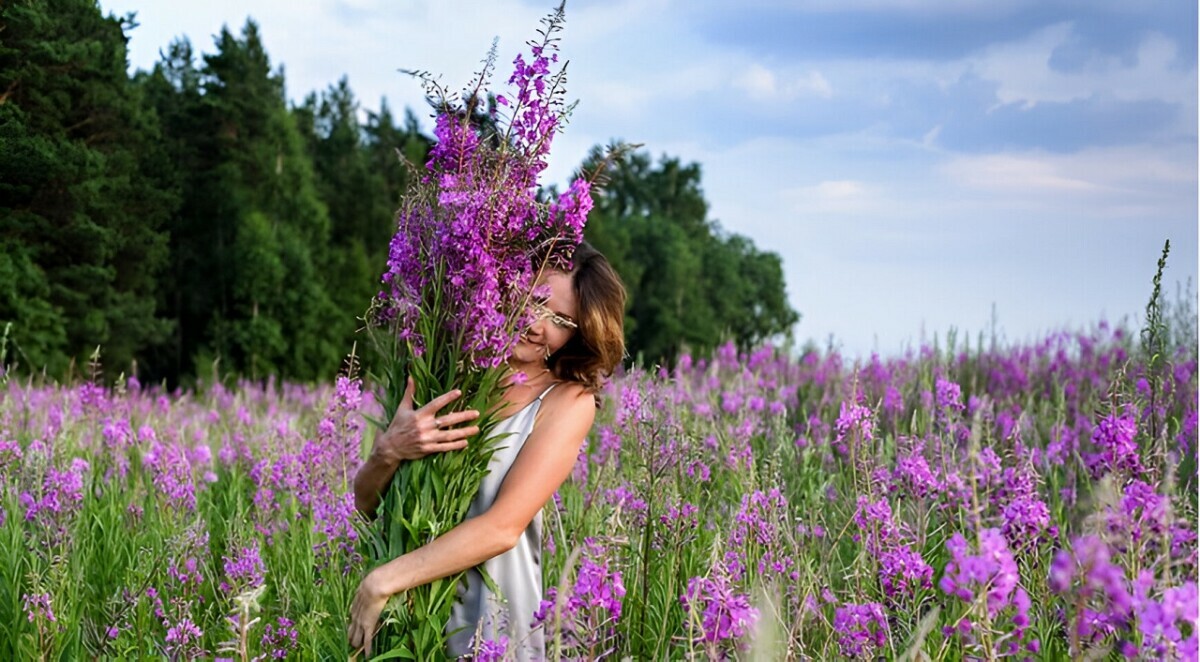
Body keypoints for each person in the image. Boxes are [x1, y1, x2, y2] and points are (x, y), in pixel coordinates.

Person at [348, 242, 626, 659]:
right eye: (534, 302)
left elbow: (502, 527)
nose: (537, 325)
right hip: (404, 631)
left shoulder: (566, 402)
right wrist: (389, 451)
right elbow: (367, 505)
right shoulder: (446, 371)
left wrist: (383, 581)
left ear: (577, 334)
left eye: (561, 320)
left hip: (492, 632)